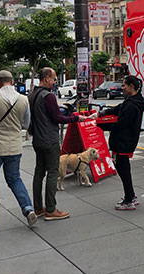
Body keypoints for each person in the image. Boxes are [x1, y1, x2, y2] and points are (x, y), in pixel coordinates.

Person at [0, 70, 37, 233]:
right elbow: (26, 124)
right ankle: (28, 208)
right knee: (15, 179)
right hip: (14, 147)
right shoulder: (23, 99)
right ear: (11, 81)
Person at [29, 67, 87, 221]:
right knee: (53, 172)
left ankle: (38, 207)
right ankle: (51, 209)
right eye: (54, 78)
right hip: (49, 139)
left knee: (39, 172)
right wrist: (76, 118)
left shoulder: (33, 94)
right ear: (47, 78)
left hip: (38, 139)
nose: (55, 82)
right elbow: (57, 118)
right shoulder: (48, 96)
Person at [100, 75, 144, 211]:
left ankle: (129, 200)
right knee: (124, 168)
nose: (122, 88)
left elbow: (121, 124)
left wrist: (102, 125)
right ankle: (130, 195)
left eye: (124, 85)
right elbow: (119, 109)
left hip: (124, 141)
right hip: (125, 140)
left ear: (131, 87)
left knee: (123, 169)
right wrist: (105, 112)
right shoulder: (133, 101)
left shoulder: (132, 105)